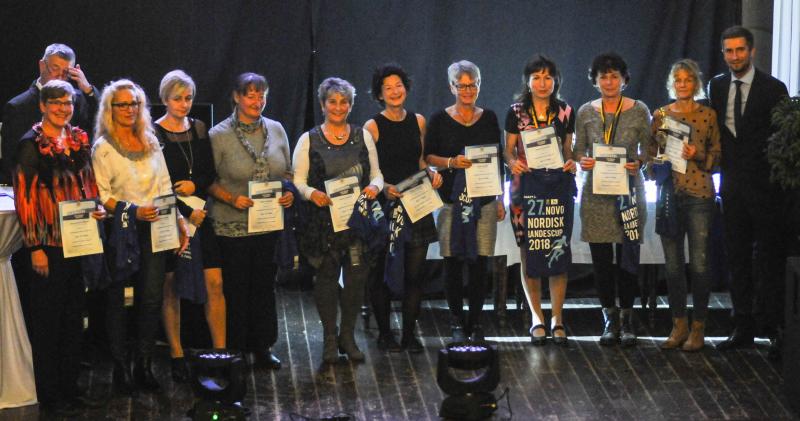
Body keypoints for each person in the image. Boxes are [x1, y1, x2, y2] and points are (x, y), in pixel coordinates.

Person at [13, 80, 105, 416]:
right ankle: (49, 395)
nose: (63, 109)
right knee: (48, 322)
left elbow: (88, 183)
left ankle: (69, 386)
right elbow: (24, 200)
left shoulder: (79, 138)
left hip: (78, 241)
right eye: (56, 103)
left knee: (72, 318)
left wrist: (96, 205)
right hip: (48, 245)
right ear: (43, 106)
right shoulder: (30, 144)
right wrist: (35, 247)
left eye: (68, 103)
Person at [92, 79, 189, 393]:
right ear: (110, 108)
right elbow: (102, 196)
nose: (129, 109)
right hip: (121, 230)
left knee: (151, 298)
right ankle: (120, 367)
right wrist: (134, 212)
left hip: (155, 226)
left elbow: (165, 185)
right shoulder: (103, 148)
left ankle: (144, 365)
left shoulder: (150, 140)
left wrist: (179, 220)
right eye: (122, 104)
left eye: (134, 103)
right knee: (117, 300)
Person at [708, 26, 789, 359]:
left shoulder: (774, 88)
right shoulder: (716, 86)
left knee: (769, 261)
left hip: (767, 191)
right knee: (737, 258)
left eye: (740, 50)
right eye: (729, 51)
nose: (735, 56)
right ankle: (742, 326)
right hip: (731, 188)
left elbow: (782, 140)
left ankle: (774, 329)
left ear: (751, 51)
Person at [293, 77, 384, 364]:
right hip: (322, 223)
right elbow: (297, 181)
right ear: (322, 105)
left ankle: (348, 336)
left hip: (356, 222)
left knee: (356, 280)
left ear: (350, 105)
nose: (338, 107)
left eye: (344, 102)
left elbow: (377, 175)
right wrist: (312, 194)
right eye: (332, 101)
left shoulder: (362, 136)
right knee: (327, 281)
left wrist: (374, 188)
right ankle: (330, 340)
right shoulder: (308, 140)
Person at [207, 73, 293, 370]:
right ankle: (238, 348)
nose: (257, 101)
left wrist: (288, 193)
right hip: (231, 226)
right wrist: (231, 199)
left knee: (264, 288)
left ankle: (262, 346)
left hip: (267, 224)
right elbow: (207, 181)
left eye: (261, 95)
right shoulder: (219, 134)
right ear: (236, 97)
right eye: (250, 95)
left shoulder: (277, 129)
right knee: (237, 289)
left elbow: (287, 173)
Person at [364, 64, 442, 352]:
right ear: (379, 94)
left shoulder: (418, 121)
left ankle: (409, 335)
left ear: (406, 88)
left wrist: (432, 173)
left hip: (417, 205)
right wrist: (385, 188)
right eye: (388, 88)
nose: (395, 91)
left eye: (399, 85)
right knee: (382, 273)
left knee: (414, 275)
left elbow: (421, 161)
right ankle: (385, 334)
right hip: (386, 207)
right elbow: (367, 171)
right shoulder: (372, 127)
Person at [424, 60, 505, 342]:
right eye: (462, 85)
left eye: (473, 85)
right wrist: (451, 162)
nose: (468, 90)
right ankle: (457, 320)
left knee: (481, 263)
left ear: (479, 86)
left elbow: (498, 159)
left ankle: (476, 321)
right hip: (450, 202)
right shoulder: (439, 119)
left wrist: (500, 198)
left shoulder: (490, 117)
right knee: (453, 262)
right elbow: (427, 157)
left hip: (484, 201)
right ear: (452, 87)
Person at [154, 70, 225, 382]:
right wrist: (184, 209)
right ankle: (176, 353)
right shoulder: (154, 134)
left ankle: (221, 352)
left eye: (188, 98)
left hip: (201, 215)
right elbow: (154, 184)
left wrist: (195, 186)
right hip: (172, 216)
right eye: (177, 99)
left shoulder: (198, 128)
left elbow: (209, 173)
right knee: (171, 286)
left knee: (215, 283)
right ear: (164, 100)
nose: (184, 104)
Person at [575, 52, 649, 347]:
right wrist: (583, 161)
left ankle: (628, 318)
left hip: (629, 192)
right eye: (603, 76)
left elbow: (650, 149)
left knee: (629, 257)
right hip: (596, 194)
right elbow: (577, 151)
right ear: (595, 81)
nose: (609, 81)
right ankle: (609, 318)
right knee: (602, 260)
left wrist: (639, 161)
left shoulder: (640, 110)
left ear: (624, 79)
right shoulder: (585, 111)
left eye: (614, 76)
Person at [503, 55, 576, 346]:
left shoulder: (566, 111)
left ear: (555, 81)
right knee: (529, 250)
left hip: (557, 186)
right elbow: (507, 150)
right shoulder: (516, 112)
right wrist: (512, 162)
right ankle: (537, 317)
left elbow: (568, 149)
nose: (542, 83)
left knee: (558, 247)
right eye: (537, 77)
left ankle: (558, 318)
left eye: (548, 77)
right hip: (524, 187)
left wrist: (571, 162)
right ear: (528, 81)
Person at [648, 59, 721, 352]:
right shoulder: (661, 115)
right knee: (673, 266)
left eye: (688, 79)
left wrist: (697, 153)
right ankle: (678, 325)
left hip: (699, 195)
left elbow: (718, 155)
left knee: (700, 265)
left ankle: (698, 327)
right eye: (677, 80)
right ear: (672, 83)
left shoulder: (708, 115)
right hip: (669, 195)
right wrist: (657, 162)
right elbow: (649, 156)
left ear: (696, 83)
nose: (682, 84)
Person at [2, 43, 99, 184]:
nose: (60, 76)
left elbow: (102, 125)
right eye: (55, 68)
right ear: (42, 66)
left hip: (75, 188)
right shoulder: (18, 107)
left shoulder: (78, 101)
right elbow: (12, 163)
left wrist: (89, 90)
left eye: (66, 72)